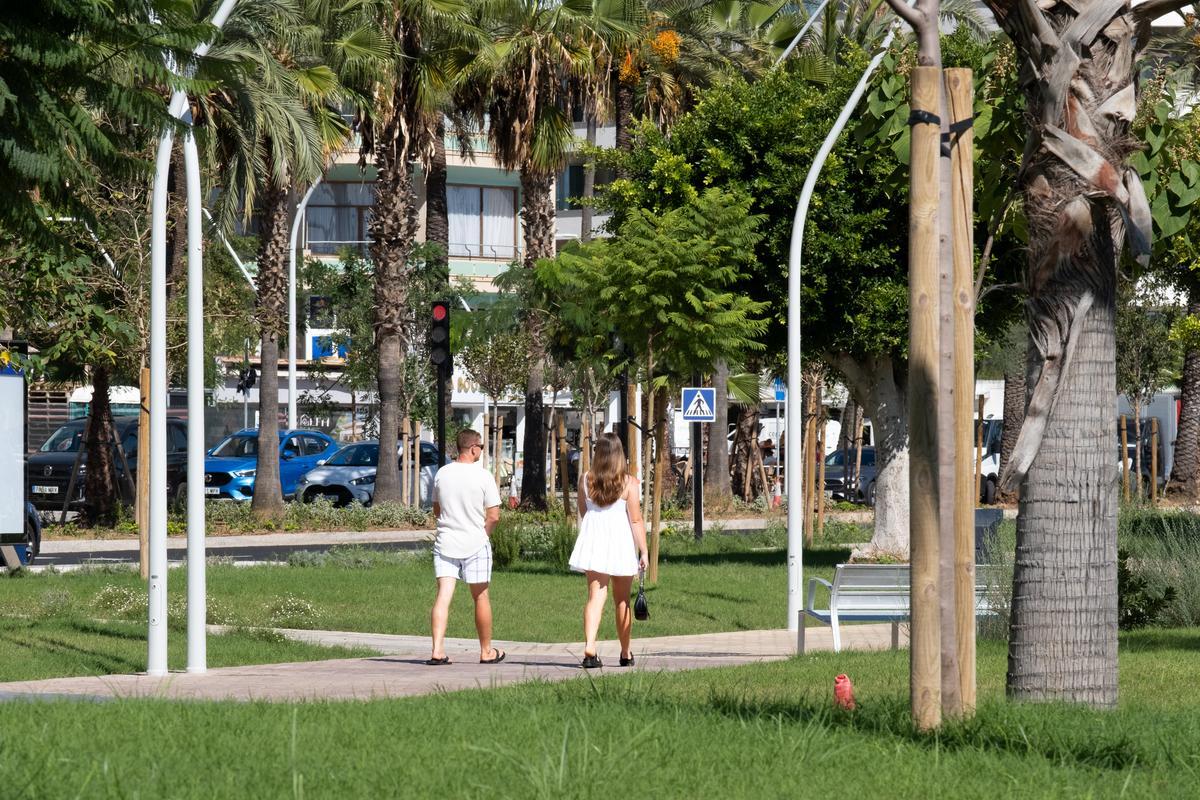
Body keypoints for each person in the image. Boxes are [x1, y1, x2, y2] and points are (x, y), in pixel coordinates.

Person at [568, 432, 650, 669]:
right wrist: (643, 551)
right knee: (622, 601)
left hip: (594, 542)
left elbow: (585, 512)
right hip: (620, 543)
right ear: (619, 455)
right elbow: (635, 520)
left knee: (595, 597)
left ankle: (590, 648)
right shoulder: (629, 483)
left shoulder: (586, 479)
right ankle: (625, 652)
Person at [427, 429, 505, 666]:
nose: (481, 450)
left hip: (446, 542)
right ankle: (486, 651)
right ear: (473, 448)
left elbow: (437, 509)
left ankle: (437, 650)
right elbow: (493, 516)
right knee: (480, 596)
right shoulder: (483, 476)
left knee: (443, 596)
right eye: (480, 447)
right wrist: (483, 535)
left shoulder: (442, 473)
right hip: (475, 543)